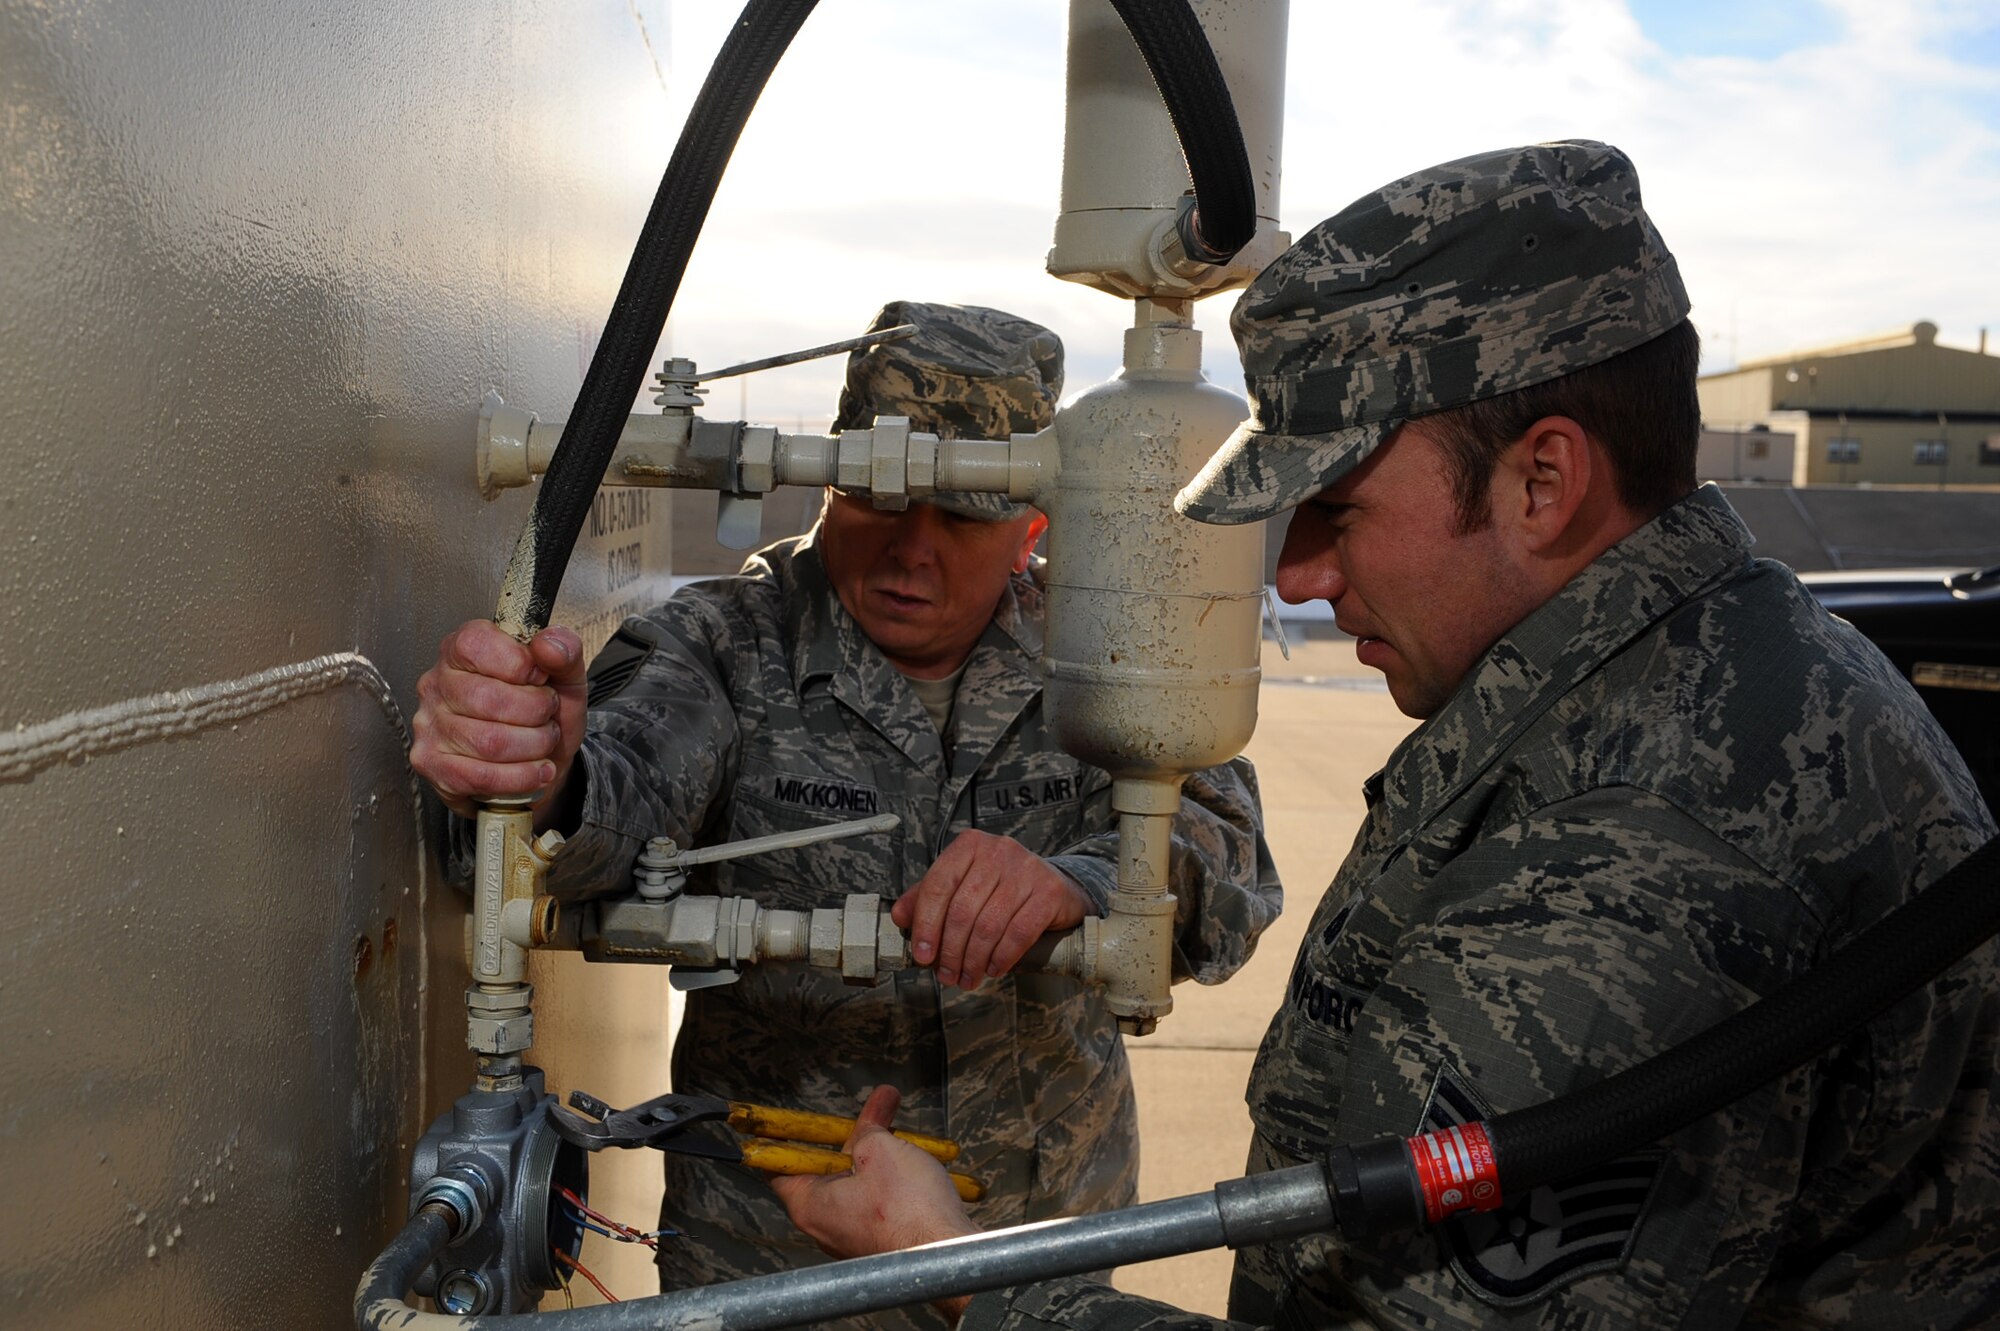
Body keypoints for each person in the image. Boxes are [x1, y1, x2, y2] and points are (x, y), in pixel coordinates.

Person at [772, 144, 2000, 1329]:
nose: (1297, 575)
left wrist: (951, 1266)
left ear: (1541, 481)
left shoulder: (1640, 855)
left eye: (1335, 508)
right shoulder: (1678, 684)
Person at [409, 300, 1283, 1327]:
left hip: (1042, 1250)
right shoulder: (726, 644)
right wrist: (543, 774)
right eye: (875, 496)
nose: (911, 550)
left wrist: (1078, 882)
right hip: (780, 1265)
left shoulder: (1104, 651)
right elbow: (622, 775)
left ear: (1033, 521)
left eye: (959, 513)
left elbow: (1227, 858)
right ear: (828, 477)